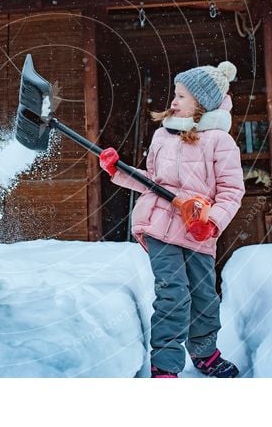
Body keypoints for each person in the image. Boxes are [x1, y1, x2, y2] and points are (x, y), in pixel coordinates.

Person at [99, 61, 245, 378]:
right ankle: (165, 365)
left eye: (181, 96)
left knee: (204, 296)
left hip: (197, 232)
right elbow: (152, 181)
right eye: (174, 95)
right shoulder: (163, 137)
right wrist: (118, 170)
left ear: (202, 103)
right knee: (173, 293)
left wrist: (213, 222)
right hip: (159, 228)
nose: (173, 102)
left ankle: (205, 353)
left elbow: (232, 190)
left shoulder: (221, 142)